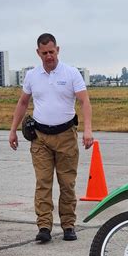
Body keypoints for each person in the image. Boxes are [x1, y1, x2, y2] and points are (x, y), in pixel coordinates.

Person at [9, 33, 93, 243]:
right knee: (43, 183)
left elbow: (84, 102)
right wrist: (12, 130)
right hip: (40, 138)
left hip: (66, 136)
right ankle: (44, 226)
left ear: (58, 50)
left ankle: (68, 225)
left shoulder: (71, 73)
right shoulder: (32, 76)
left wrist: (88, 129)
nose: (49, 56)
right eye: (44, 53)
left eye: (52, 52)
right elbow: (22, 103)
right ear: (38, 53)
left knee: (67, 183)